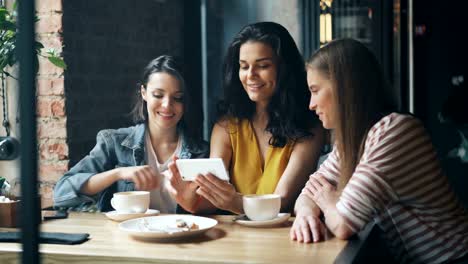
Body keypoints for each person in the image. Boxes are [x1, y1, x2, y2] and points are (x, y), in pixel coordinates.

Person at [290, 38, 468, 264]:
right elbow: (308, 190)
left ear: (345, 88)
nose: (311, 104)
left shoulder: (395, 131)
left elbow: (344, 223)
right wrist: (305, 214)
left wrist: (326, 201)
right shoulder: (353, 141)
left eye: (315, 91)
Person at [168, 22, 324, 214]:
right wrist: (187, 198)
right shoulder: (226, 126)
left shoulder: (309, 127)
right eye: (243, 66)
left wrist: (234, 201)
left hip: (289, 237)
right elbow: (212, 201)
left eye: (263, 66)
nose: (250, 75)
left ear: (284, 69)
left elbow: (281, 202)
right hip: (237, 238)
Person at [53, 55, 209, 213]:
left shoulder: (201, 152)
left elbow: (214, 210)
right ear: (144, 93)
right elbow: (63, 191)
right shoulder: (114, 143)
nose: (167, 105)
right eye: (158, 95)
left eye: (178, 98)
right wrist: (118, 173)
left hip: (182, 236)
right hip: (124, 236)